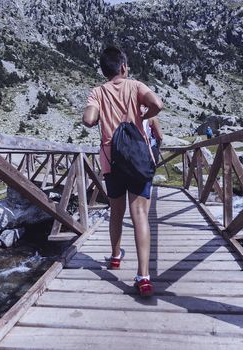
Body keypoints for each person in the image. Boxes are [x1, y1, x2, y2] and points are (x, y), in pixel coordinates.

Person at [83, 46, 163, 297]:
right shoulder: (136, 86)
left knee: (116, 212)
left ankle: (116, 256)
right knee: (139, 214)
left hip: (112, 162)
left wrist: (98, 116)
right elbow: (157, 104)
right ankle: (143, 277)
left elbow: (88, 119)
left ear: (104, 70)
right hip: (138, 159)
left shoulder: (97, 92)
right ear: (124, 67)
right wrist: (144, 115)